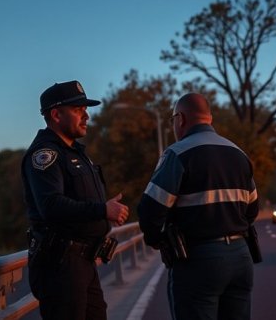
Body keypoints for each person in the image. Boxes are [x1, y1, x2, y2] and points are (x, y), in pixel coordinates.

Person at [137, 93, 259, 320]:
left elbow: (150, 208)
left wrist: (157, 240)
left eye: (173, 119)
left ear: (180, 119)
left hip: (199, 258)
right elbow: (252, 210)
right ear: (209, 119)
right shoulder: (238, 153)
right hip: (241, 258)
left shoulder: (178, 153)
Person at [21, 80, 129, 320]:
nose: (87, 116)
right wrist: (102, 210)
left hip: (84, 263)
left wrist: (103, 211)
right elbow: (50, 206)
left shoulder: (75, 152)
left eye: (85, 109)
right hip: (61, 267)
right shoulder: (45, 154)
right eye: (78, 110)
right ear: (56, 114)